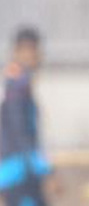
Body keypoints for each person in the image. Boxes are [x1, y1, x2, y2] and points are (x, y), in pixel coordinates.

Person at [0, 27, 56, 206]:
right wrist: (45, 170)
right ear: (18, 51)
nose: (37, 56)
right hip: (19, 171)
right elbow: (20, 134)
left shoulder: (18, 83)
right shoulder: (17, 85)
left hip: (20, 170)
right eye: (32, 50)